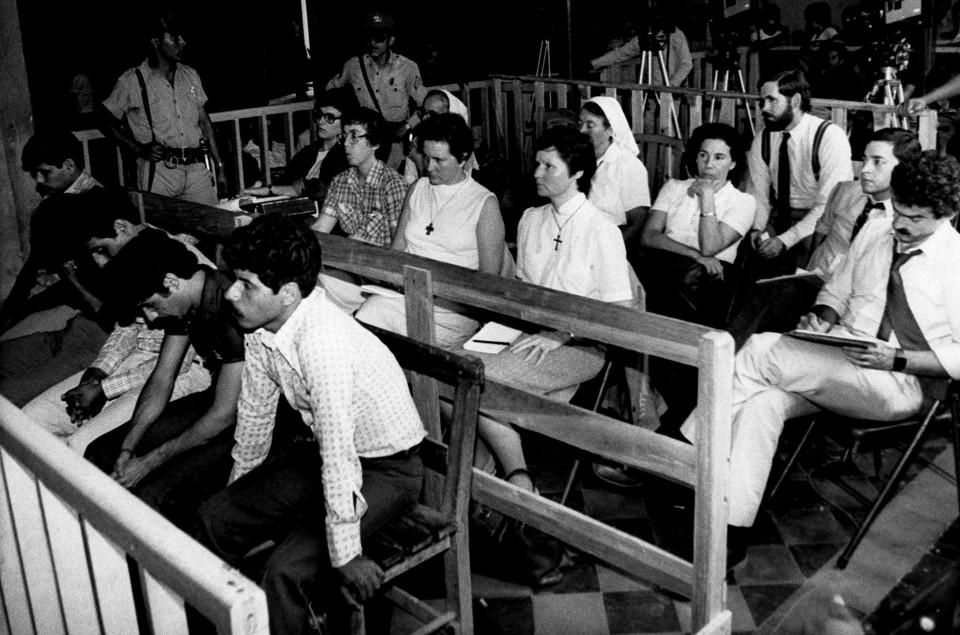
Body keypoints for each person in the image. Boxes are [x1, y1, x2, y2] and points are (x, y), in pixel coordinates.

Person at [681, 151, 960, 569]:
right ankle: (729, 530)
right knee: (763, 404)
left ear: (948, 213)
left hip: (902, 383)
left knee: (757, 350)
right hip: (840, 359)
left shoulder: (954, 262)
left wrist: (899, 359)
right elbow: (839, 289)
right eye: (899, 210)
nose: (902, 225)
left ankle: (680, 451)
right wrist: (823, 318)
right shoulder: (878, 231)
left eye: (916, 219)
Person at [194, 214, 426, 634]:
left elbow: (339, 452)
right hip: (321, 457)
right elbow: (254, 420)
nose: (230, 293)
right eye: (234, 278)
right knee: (214, 519)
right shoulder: (262, 326)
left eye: (246, 284)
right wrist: (242, 494)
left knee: (285, 572)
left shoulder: (322, 342)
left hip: (389, 470)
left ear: (287, 293)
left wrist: (346, 552)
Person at [466, 127, 637, 494]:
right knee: (447, 370)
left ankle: (514, 477)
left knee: (477, 382)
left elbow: (619, 314)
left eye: (549, 167)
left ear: (577, 173)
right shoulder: (531, 219)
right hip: (527, 333)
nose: (537, 174)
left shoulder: (601, 228)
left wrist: (562, 334)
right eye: (537, 164)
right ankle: (491, 469)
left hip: (581, 346)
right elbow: (524, 291)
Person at [22, 191, 213, 454]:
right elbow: (127, 326)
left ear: (121, 227)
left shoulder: (177, 262)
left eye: (101, 250)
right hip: (132, 363)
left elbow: (177, 363)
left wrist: (106, 389)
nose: (100, 262)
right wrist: (98, 372)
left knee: (82, 444)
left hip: (180, 372)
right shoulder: (126, 262)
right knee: (29, 421)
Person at [83, 233, 244, 528]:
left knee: (151, 494)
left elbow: (225, 414)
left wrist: (147, 462)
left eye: (150, 305)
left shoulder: (230, 305)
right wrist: (129, 446)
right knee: (100, 453)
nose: (151, 318)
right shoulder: (184, 303)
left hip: (250, 415)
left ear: (171, 282)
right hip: (218, 400)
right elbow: (161, 379)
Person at [728, 128, 921, 349]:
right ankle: (726, 354)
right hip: (816, 282)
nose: (865, 170)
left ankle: (730, 357)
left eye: (878, 162)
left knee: (780, 304)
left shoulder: (908, 221)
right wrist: (805, 271)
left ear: (904, 168)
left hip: (854, 298)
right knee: (770, 291)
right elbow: (821, 233)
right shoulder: (845, 191)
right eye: (865, 159)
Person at [355, 113, 506, 347]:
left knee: (370, 314)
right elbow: (397, 253)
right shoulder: (418, 188)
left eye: (439, 160)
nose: (429, 167)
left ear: (463, 157)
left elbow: (488, 284)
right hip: (406, 294)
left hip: (453, 311)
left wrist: (434, 291)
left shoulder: (484, 203)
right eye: (426, 157)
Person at [0, 134, 107, 406]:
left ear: (69, 166)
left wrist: (20, 308)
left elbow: (85, 280)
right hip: (72, 305)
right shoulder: (57, 204)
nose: (38, 181)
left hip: (85, 312)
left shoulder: (98, 204)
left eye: (44, 172)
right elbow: (37, 266)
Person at [99, 9, 224, 205]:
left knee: (212, 223)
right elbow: (105, 119)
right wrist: (137, 148)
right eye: (174, 38)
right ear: (156, 42)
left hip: (195, 168)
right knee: (159, 230)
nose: (182, 43)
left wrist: (219, 165)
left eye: (182, 37)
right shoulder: (133, 80)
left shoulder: (190, 75)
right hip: (158, 171)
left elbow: (205, 124)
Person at [640, 122, 755, 327]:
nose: (709, 164)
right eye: (703, 155)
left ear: (733, 163)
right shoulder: (674, 187)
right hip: (663, 264)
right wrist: (696, 255)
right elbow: (649, 236)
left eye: (719, 157)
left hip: (710, 277)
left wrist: (708, 198)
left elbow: (710, 247)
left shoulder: (743, 202)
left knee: (686, 280)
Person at [744, 69, 853, 279]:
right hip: (779, 215)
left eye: (771, 100)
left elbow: (828, 205)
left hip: (820, 220)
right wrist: (757, 229)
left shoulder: (829, 137)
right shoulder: (763, 139)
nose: (764, 109)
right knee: (749, 260)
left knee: (800, 274)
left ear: (795, 101)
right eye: (761, 101)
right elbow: (758, 194)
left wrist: (785, 240)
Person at [325, 11, 426, 170]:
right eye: (369, 37)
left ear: (391, 40)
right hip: (365, 141)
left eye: (379, 38)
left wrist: (407, 126)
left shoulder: (408, 68)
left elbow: (425, 105)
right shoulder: (354, 66)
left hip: (395, 143)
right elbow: (330, 93)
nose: (373, 43)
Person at [311, 107, 406, 247]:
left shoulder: (393, 184)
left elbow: (399, 247)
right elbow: (321, 228)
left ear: (374, 143)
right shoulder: (340, 181)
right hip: (349, 257)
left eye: (354, 136)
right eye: (344, 136)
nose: (346, 143)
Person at [241, 88, 353, 204]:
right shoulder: (308, 152)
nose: (320, 122)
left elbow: (323, 189)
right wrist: (258, 190)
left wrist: (274, 189)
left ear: (346, 122)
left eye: (330, 118)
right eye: (318, 115)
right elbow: (285, 182)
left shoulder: (347, 155)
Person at [578, 96, 651, 244]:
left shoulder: (628, 166)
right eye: (580, 124)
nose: (581, 130)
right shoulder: (577, 157)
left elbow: (636, 222)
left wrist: (607, 247)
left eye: (590, 125)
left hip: (610, 241)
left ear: (609, 130)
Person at [401, 88, 479, 185]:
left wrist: (420, 164)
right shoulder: (420, 138)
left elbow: (435, 190)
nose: (426, 118)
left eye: (432, 113)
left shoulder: (457, 149)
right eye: (425, 112)